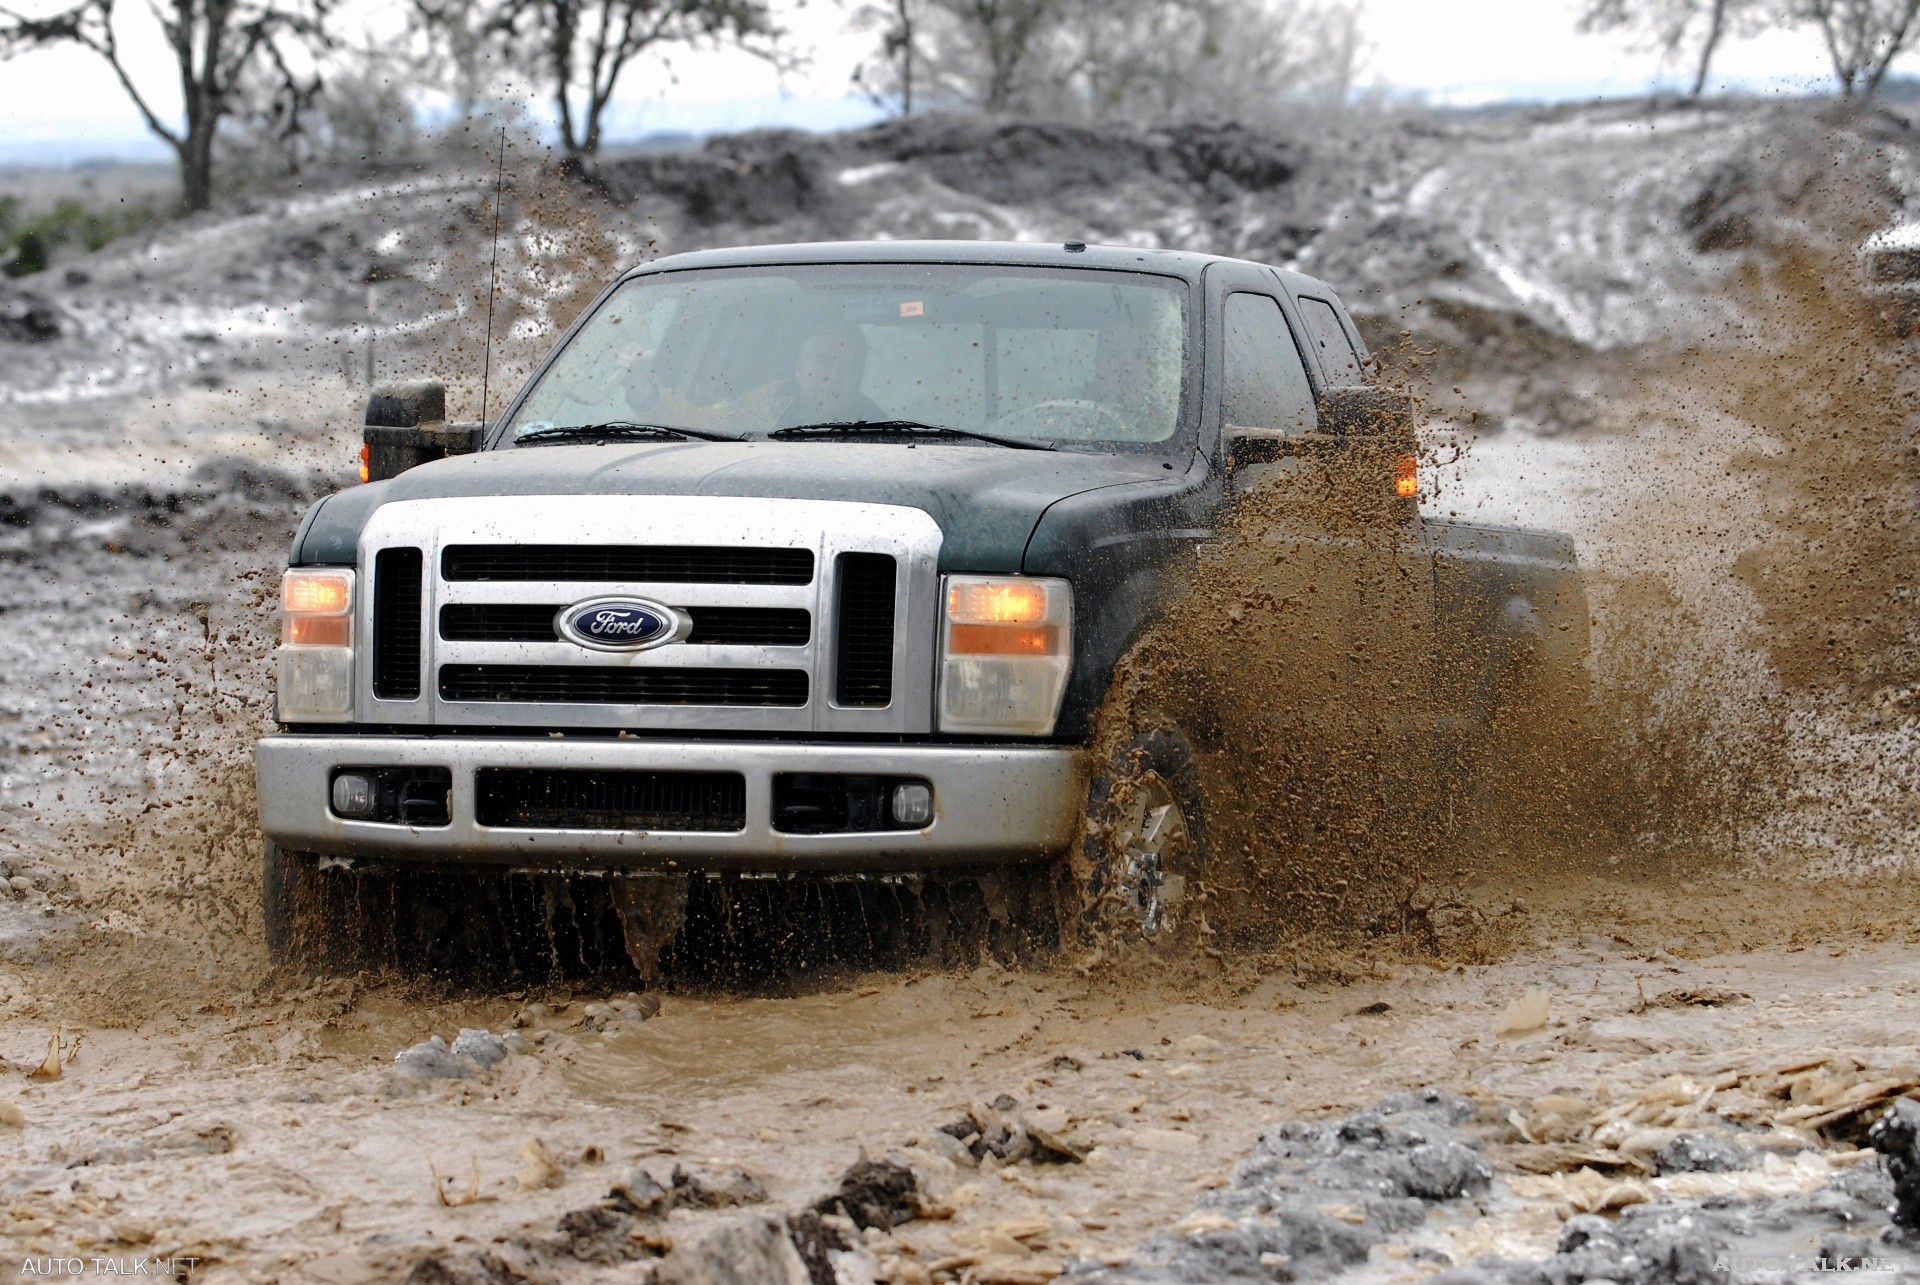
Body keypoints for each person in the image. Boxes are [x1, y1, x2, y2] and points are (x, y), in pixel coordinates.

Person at [770, 320, 887, 428]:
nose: (834, 376)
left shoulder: (880, 431)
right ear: (799, 368)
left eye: (847, 367)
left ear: (859, 377)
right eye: (823, 363)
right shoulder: (761, 421)